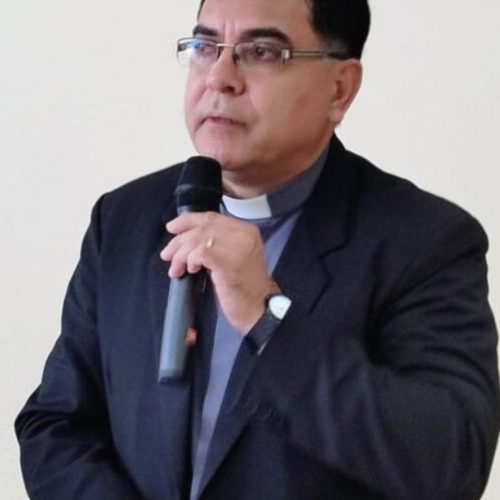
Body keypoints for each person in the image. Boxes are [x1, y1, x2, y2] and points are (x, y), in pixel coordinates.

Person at [15, 0, 500, 499]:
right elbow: (56, 423)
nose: (219, 78)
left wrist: (268, 318)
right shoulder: (123, 219)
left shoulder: (425, 241)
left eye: (262, 51)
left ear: (340, 88)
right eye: (205, 47)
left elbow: (451, 464)